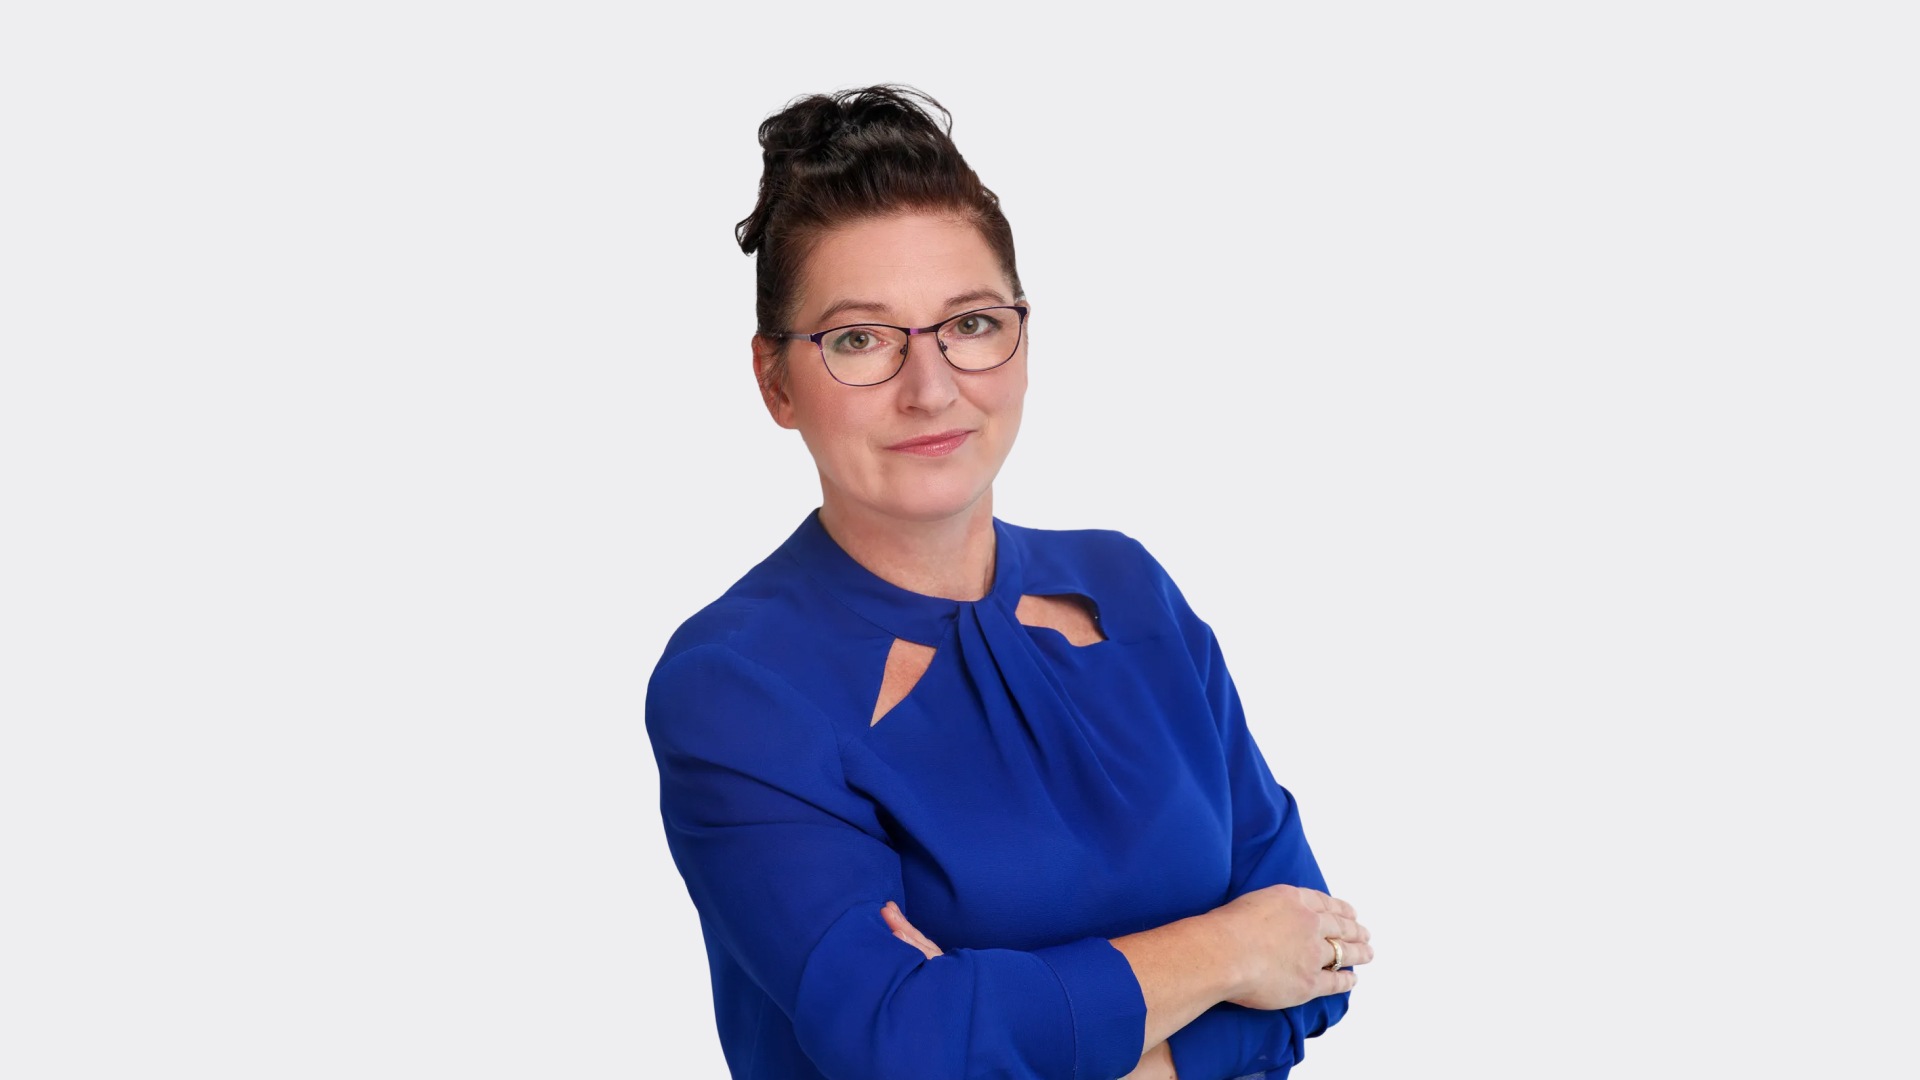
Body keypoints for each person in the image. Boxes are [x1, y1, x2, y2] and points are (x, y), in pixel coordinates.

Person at [645, 85, 1372, 1080]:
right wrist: (1230, 951)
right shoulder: (735, 686)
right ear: (776, 379)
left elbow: (1320, 955)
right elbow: (903, 1042)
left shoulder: (1129, 591)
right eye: (861, 339)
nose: (931, 386)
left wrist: (1021, 1023)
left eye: (972, 323)